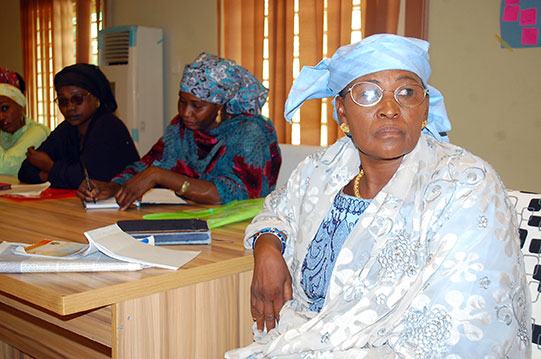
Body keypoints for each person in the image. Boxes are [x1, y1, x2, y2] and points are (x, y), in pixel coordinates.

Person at [226, 34, 530, 358]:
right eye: (368, 93)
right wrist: (268, 246)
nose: (389, 109)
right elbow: (279, 208)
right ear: (341, 112)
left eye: (406, 92)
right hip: (300, 342)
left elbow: (457, 336)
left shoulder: (466, 184)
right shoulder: (322, 169)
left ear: (424, 106)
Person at [77, 53, 281, 208]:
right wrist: (116, 186)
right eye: (182, 102)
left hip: (239, 230)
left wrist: (159, 176)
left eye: (197, 106)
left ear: (220, 105)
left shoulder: (251, 132)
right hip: (194, 219)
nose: (186, 112)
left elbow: (228, 195)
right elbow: (146, 165)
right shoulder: (181, 129)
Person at [18, 63, 139, 189]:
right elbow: (25, 171)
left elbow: (88, 180)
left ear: (96, 98)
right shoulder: (66, 128)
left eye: (78, 99)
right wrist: (58, 175)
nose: (70, 107)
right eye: (63, 101)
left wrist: (49, 166)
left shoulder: (108, 126)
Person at [0, 67, 49, 176]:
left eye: (4, 108)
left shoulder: (38, 132)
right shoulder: (3, 133)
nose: (1, 117)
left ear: (20, 105)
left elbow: (6, 169)